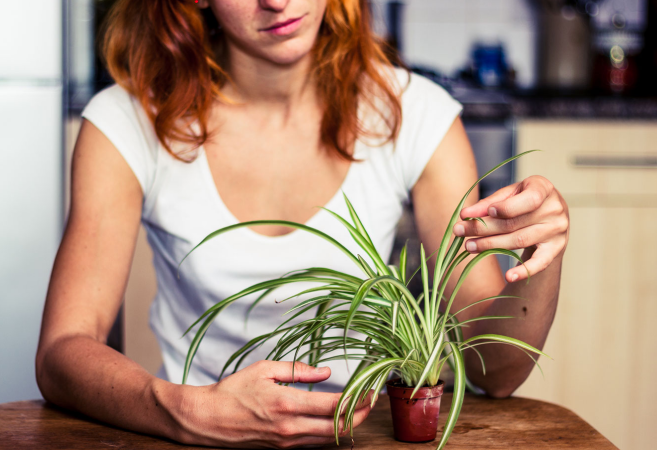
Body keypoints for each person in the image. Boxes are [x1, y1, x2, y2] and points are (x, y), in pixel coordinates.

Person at [35, 0, 570, 448]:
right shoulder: (126, 121)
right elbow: (62, 350)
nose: (277, 0)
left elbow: (494, 373)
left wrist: (541, 259)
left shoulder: (416, 114)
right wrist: (187, 411)